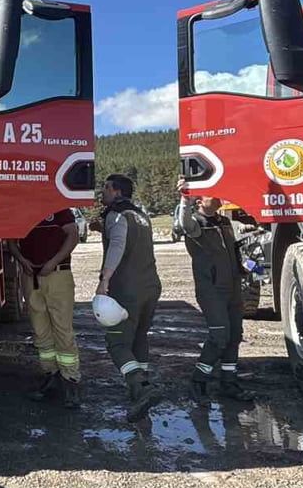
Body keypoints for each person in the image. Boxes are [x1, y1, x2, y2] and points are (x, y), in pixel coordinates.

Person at [175, 178, 255, 403]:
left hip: (232, 288)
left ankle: (228, 383)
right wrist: (184, 198)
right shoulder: (197, 223)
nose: (218, 197)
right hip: (212, 290)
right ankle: (198, 381)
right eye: (212, 194)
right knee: (219, 336)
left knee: (234, 336)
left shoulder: (223, 222)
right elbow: (184, 223)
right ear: (200, 201)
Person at [96, 174, 162, 421]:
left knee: (117, 342)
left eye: (105, 187)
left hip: (127, 288)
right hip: (150, 286)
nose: (102, 192)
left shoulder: (117, 215)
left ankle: (140, 387)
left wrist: (104, 281)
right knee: (139, 337)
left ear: (116, 191)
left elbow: (117, 247)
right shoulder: (141, 215)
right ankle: (141, 384)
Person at [8, 209, 82, 408]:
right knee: (40, 331)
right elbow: (11, 241)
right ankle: (50, 375)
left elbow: (73, 236)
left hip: (57, 275)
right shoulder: (24, 211)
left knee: (62, 330)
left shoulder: (60, 210)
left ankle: (71, 382)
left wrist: (54, 262)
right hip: (30, 276)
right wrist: (22, 260)